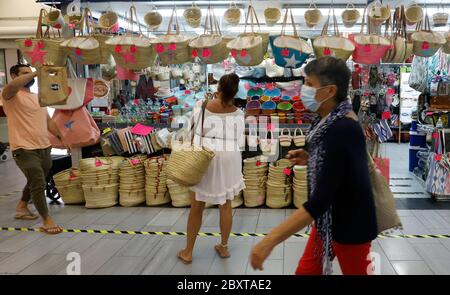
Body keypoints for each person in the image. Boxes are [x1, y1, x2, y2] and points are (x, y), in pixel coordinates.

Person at [250, 57, 378, 275]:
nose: (304, 89)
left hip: (350, 225)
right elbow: (339, 165)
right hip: (327, 222)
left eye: (309, 84)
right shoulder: (326, 121)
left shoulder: (343, 128)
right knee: (306, 271)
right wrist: (311, 158)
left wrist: (269, 240)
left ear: (329, 91)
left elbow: (319, 201)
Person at [177, 73, 245, 264]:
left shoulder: (202, 106)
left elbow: (190, 129)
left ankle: (188, 252)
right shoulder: (239, 114)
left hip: (204, 156)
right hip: (229, 157)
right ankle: (223, 247)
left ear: (218, 90)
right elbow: (239, 139)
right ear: (234, 94)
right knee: (225, 204)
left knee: (197, 205)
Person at [1, 64, 68, 234]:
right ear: (14, 76)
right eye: (24, 74)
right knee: (38, 181)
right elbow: (12, 86)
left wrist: (61, 137)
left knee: (36, 180)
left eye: (30, 74)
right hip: (23, 148)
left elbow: (48, 121)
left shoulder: (38, 97)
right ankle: (46, 219)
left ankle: (22, 206)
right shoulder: (10, 95)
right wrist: (38, 72)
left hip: (44, 147)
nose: (30, 77)